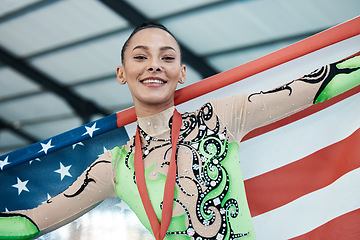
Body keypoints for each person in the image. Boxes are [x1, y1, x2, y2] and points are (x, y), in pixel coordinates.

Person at [0, 22, 358, 240]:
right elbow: (31, 224)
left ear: (182, 73)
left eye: (167, 57)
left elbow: (315, 86)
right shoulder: (113, 167)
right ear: (122, 73)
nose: (154, 65)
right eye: (140, 57)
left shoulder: (221, 116)